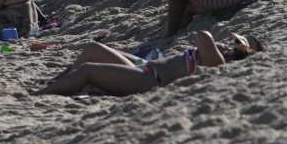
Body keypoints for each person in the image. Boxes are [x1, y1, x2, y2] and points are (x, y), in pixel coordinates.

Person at [32, 31, 261, 96]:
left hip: (149, 80)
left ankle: (42, 94)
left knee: (88, 70)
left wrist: (223, 48)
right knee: (94, 49)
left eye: (234, 46)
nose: (228, 45)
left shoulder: (217, 61)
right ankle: (58, 82)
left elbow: (202, 35)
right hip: (146, 69)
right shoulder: (214, 58)